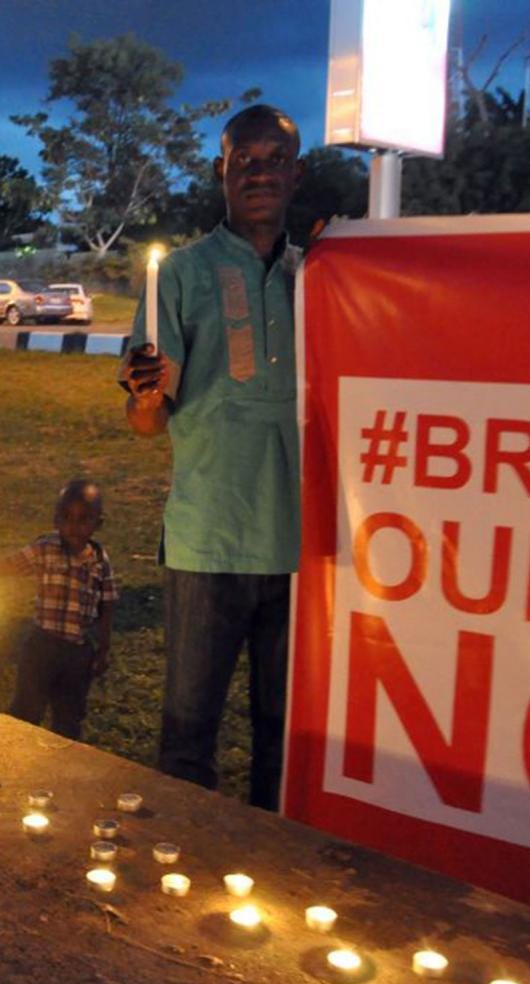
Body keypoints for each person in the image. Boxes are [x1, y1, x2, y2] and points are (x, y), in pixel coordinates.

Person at [121, 104, 305, 811]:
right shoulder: (185, 274)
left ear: (296, 172)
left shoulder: (318, 274)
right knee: (186, 739)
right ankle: (178, 879)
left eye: (273, 159)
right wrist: (143, 397)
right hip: (208, 539)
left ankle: (273, 880)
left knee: (284, 741)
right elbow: (147, 422)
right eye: (244, 160)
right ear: (220, 172)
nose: (258, 173)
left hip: (298, 546)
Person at [0, 480, 116, 741]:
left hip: (78, 652)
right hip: (42, 646)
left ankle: (61, 765)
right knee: (26, 708)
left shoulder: (99, 559)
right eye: (66, 518)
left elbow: (107, 603)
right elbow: (9, 567)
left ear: (98, 523)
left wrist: (104, 648)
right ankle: (15, 752)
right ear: (56, 520)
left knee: (69, 715)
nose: (73, 527)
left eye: (83, 520)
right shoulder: (46, 548)